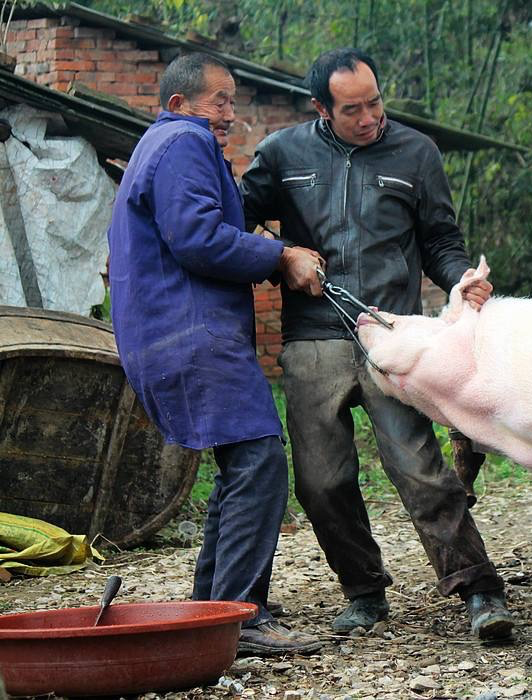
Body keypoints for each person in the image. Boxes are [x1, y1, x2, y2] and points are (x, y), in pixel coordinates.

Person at [239, 48, 514, 641]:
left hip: (392, 334)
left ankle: (478, 589)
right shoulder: (283, 154)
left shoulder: (415, 152)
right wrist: (280, 256)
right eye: (352, 110)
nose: (369, 118)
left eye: (375, 103)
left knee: (418, 466)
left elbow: (440, 239)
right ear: (321, 108)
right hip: (313, 336)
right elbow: (234, 224)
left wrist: (463, 282)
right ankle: (363, 591)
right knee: (321, 480)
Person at [107, 52, 325, 655]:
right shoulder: (183, 140)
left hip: (166, 332)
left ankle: (214, 610)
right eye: (219, 101)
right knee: (259, 460)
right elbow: (197, 238)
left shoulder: (159, 144)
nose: (229, 114)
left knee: (242, 464)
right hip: (191, 332)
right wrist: (280, 257)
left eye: (233, 101)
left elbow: (190, 230)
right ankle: (243, 616)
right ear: (179, 104)